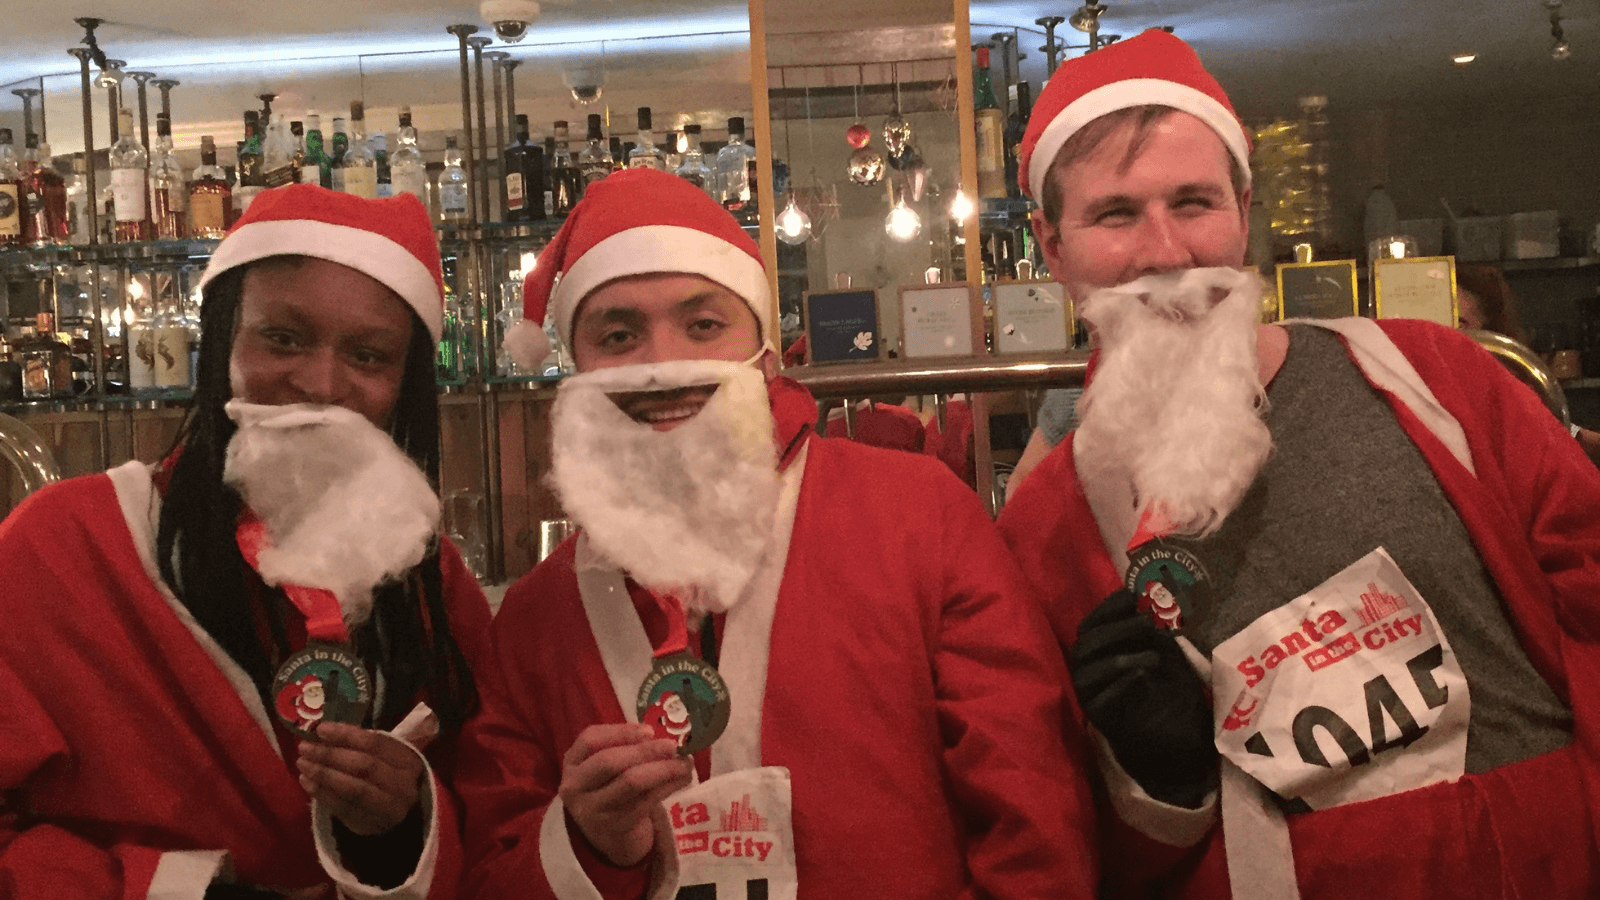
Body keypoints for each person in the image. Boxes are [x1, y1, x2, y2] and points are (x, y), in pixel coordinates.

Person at [998, 29, 1600, 899]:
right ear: (1055, 249)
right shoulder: (1048, 530)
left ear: (1245, 211)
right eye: (1116, 215)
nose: (1166, 253)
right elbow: (1079, 836)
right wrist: (1160, 780)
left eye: (1194, 203)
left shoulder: (1441, 378)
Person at [452, 168, 1096, 899]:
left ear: (764, 352)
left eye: (702, 325)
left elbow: (1036, 815)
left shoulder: (921, 518)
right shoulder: (536, 621)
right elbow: (493, 866)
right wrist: (585, 844)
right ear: (575, 364)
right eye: (619, 334)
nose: (665, 366)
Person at [0, 184, 492, 899]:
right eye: (283, 338)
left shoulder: (428, 576)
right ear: (222, 341)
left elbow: (499, 811)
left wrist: (402, 826)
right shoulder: (61, 545)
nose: (321, 385)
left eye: (369, 355)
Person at [1455, 261, 1600, 465]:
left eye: (1459, 325)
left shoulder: (1507, 382)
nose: (1443, 334)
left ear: (1491, 333)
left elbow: (1557, 431)